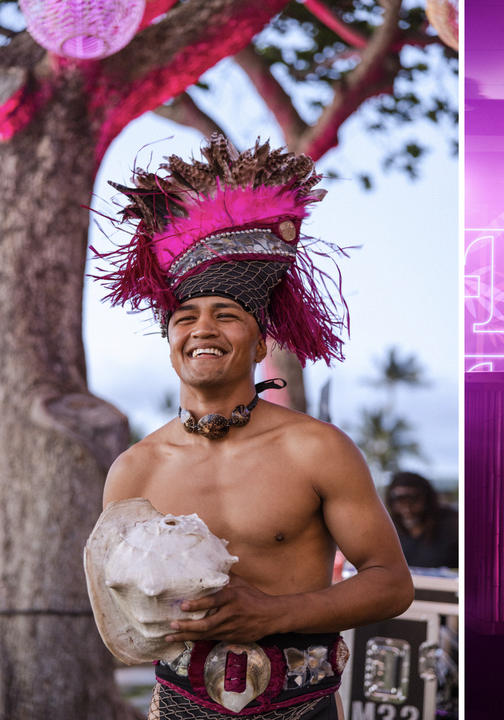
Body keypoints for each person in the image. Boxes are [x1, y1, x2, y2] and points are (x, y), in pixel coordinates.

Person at [92, 135, 414, 719]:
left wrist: (274, 613)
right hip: (179, 706)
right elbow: (120, 606)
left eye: (226, 315)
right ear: (170, 345)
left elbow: (392, 584)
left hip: (301, 707)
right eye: (185, 318)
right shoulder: (135, 470)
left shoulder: (315, 449)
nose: (203, 328)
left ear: (260, 340)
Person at [384, 471, 460, 569]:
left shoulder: (453, 524)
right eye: (400, 501)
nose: (407, 509)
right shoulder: (388, 531)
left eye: (413, 500)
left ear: (427, 500)